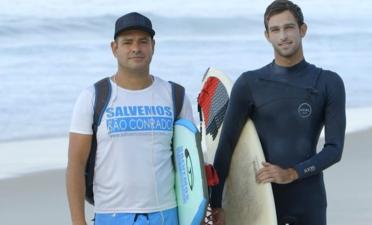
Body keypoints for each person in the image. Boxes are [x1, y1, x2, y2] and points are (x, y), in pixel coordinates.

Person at [209, 1, 346, 225]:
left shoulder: (328, 83)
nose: (283, 35)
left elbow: (334, 150)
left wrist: (292, 173)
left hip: (308, 201)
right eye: (275, 30)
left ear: (303, 30)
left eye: (289, 27)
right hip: (261, 202)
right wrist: (217, 205)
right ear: (267, 35)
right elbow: (225, 147)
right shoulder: (250, 83)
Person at [66, 12, 194, 225]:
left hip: (167, 213)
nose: (136, 48)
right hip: (112, 214)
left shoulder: (175, 96)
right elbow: (76, 165)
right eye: (127, 42)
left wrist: (196, 211)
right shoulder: (93, 97)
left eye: (143, 41)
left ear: (153, 46)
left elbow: (190, 163)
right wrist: (78, 222)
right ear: (114, 48)